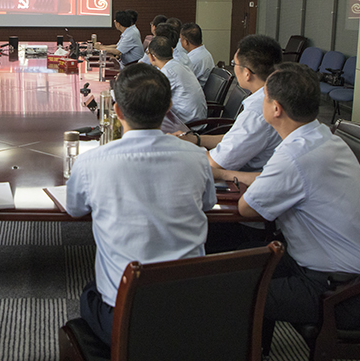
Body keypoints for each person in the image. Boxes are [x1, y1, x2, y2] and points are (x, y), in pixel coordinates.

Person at [214, 63, 360, 331]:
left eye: (264, 97)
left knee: (222, 291)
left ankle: (247, 348)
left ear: (276, 108)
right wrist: (226, 174)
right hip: (345, 273)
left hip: (343, 293)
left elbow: (247, 208)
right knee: (241, 258)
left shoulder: (294, 155)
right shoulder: (320, 136)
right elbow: (277, 180)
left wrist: (226, 175)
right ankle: (257, 347)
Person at [66, 63, 216, 347]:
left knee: (89, 292)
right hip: (191, 308)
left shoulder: (91, 162)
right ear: (169, 107)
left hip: (126, 315)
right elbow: (208, 204)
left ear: (118, 111)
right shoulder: (197, 157)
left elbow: (75, 209)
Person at [174, 34, 283, 252]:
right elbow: (234, 138)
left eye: (235, 64)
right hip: (250, 185)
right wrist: (195, 139)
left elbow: (215, 164)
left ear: (247, 73)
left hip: (250, 209)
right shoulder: (269, 97)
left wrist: (175, 149)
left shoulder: (258, 110)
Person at [146, 36, 207, 123]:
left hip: (188, 124)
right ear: (172, 51)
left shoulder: (167, 72)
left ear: (152, 57)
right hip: (197, 118)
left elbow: (152, 99)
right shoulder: (179, 65)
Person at [180, 23, 215, 87]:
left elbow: (181, 81)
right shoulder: (205, 53)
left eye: (180, 39)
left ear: (186, 42)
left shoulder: (191, 60)